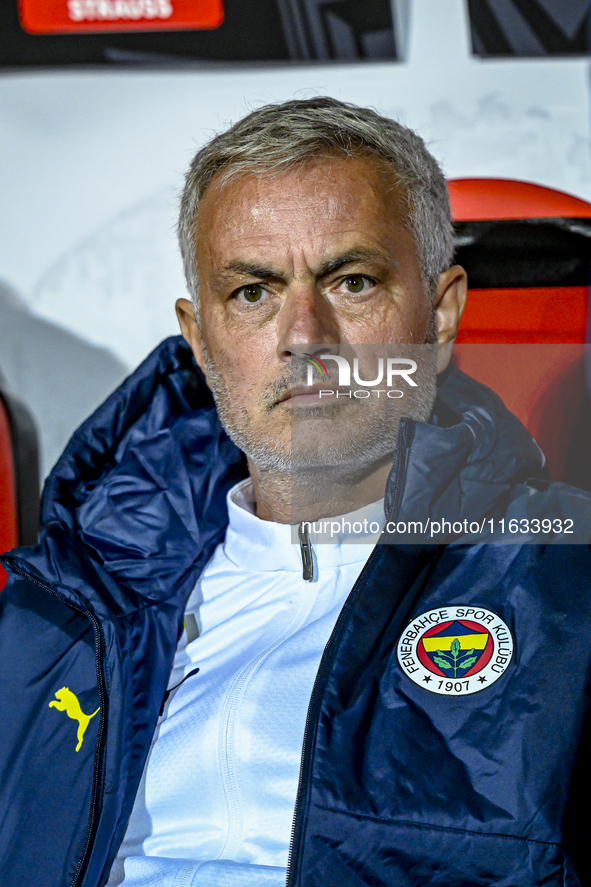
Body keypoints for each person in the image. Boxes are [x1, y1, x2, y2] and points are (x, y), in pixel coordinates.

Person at [1, 97, 590, 887]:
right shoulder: (56, 611)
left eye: (350, 281)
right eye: (253, 292)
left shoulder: (564, 586)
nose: (304, 334)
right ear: (200, 338)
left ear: (440, 315)